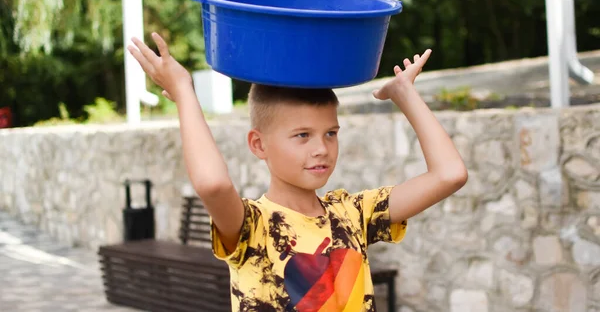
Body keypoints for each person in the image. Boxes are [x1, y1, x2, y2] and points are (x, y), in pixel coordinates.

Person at [128, 32, 468, 312]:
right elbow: (213, 184)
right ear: (258, 145)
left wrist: (405, 93)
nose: (321, 148)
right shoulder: (252, 227)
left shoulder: (354, 213)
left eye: (330, 133)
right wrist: (184, 93)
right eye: (302, 135)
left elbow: (450, 174)